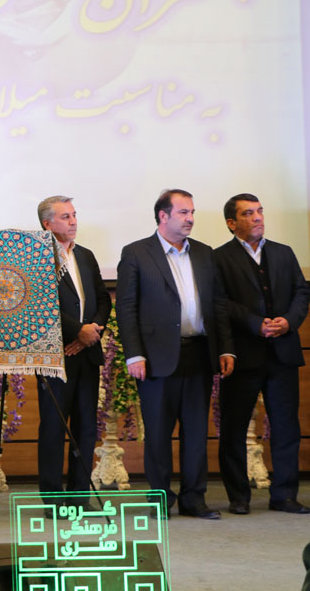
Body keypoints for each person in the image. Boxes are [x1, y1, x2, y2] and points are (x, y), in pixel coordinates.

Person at [115, 189, 234, 519]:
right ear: (163, 216)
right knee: (157, 433)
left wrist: (225, 348)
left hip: (199, 353)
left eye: (192, 212)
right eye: (183, 212)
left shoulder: (205, 253)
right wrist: (134, 354)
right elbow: (126, 307)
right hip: (156, 358)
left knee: (196, 433)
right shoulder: (137, 253)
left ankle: (194, 498)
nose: (190, 218)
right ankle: (160, 499)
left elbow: (218, 305)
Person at [213, 193, 309, 515]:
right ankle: (238, 497)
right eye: (248, 213)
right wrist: (256, 324)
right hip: (242, 354)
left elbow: (301, 292)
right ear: (231, 223)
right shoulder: (219, 258)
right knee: (234, 428)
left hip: (283, 353)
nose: (257, 218)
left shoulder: (283, 252)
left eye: (259, 211)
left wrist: (289, 321)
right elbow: (220, 302)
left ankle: (284, 495)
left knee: (286, 427)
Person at [36, 196, 111, 504]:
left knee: (86, 427)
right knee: (54, 428)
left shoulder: (86, 255)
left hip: (86, 353)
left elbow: (103, 299)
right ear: (47, 224)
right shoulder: (37, 258)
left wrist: (90, 332)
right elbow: (39, 305)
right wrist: (76, 331)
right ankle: (53, 499)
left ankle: (80, 496)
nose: (73, 221)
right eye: (65, 216)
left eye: (74, 215)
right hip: (56, 355)